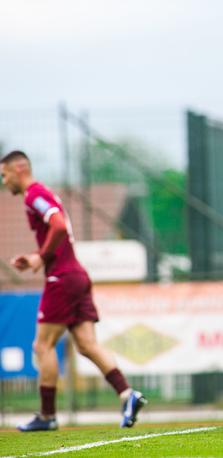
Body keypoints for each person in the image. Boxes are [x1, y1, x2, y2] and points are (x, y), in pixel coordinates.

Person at [0, 150, 147, 431]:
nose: (4, 182)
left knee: (42, 345)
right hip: (76, 275)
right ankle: (128, 396)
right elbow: (58, 230)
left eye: (4, 175)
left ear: (19, 170)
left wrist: (40, 258)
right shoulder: (43, 195)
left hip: (62, 278)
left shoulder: (33, 195)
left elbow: (56, 225)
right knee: (87, 344)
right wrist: (37, 255)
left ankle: (47, 415)